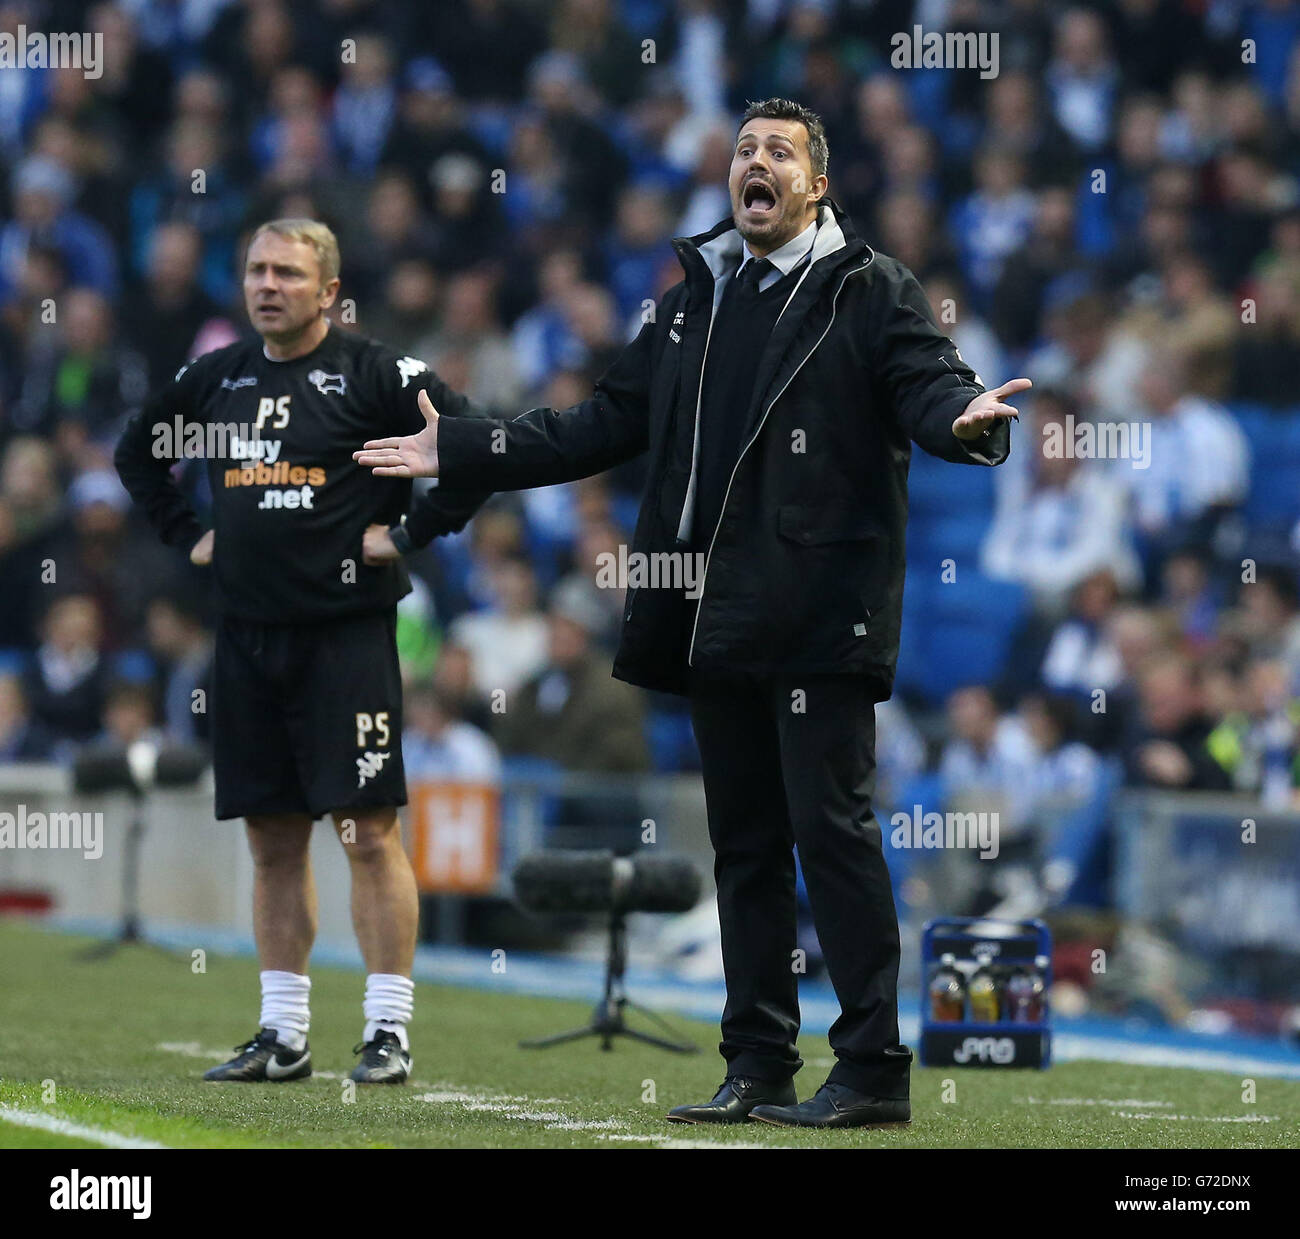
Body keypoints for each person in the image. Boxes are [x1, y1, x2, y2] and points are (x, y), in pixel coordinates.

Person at [358, 99, 1029, 1129]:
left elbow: (929, 385)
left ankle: (871, 1070)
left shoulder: (869, 287)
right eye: (743, 150)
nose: (754, 163)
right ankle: (757, 1062)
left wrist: (969, 422)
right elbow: (596, 426)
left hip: (819, 611)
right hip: (713, 616)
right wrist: (464, 448)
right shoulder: (688, 304)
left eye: (778, 152)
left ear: (815, 184)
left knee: (830, 835)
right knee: (746, 848)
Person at [115, 219, 480, 1085]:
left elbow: (473, 444)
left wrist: (414, 529)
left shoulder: (376, 372)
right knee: (273, 840)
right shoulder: (217, 376)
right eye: (255, 270)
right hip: (244, 641)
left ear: (328, 291)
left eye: (287, 272)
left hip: (344, 639)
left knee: (367, 833)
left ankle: (387, 1030)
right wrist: (186, 534)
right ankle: (284, 1034)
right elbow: (138, 451)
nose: (267, 285)